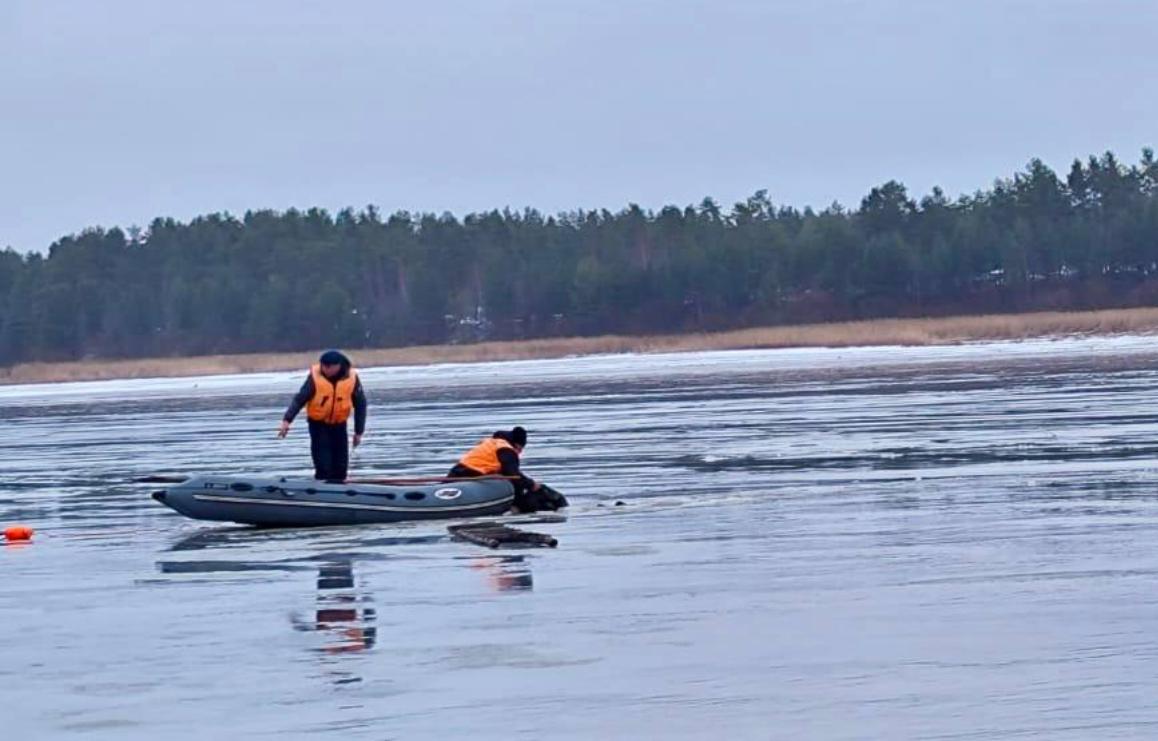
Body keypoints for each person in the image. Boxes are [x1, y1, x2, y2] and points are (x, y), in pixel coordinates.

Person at [279, 350, 367, 482]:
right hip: (318, 425)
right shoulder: (315, 378)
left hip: (339, 425)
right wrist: (287, 420)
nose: (324, 369)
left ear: (338, 366)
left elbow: (360, 404)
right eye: (323, 365)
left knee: (340, 467)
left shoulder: (352, 378)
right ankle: (320, 488)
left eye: (328, 366)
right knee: (324, 466)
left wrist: (358, 432)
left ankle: (339, 492)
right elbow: (299, 399)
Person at [448, 427, 567, 512]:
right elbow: (513, 475)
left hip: (457, 472)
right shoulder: (506, 449)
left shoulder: (492, 442)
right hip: (471, 476)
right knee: (518, 487)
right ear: (517, 445)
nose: (520, 453)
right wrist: (531, 485)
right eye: (520, 449)